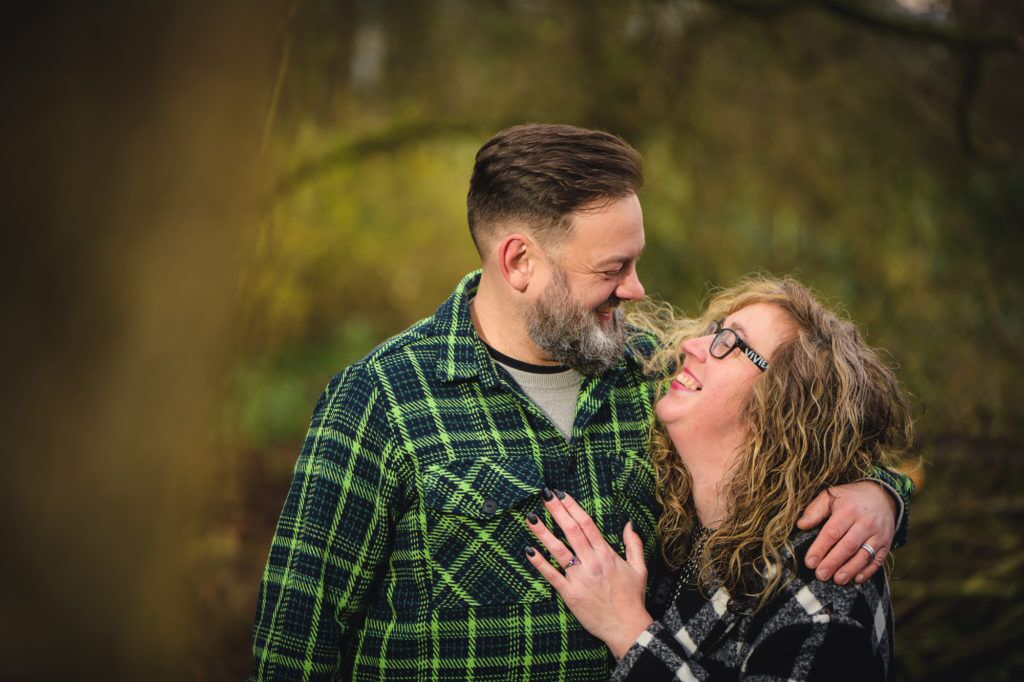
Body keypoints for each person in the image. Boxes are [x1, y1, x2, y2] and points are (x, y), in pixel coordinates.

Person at [249, 125, 911, 680]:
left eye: (635, 261)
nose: (635, 289)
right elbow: (294, 644)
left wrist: (879, 496)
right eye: (611, 269)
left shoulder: (655, 373)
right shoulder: (382, 400)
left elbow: (800, 426)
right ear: (519, 263)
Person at [525, 276, 915, 680]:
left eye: (730, 342)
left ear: (783, 403)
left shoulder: (824, 581)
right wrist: (886, 493)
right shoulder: (683, 520)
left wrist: (625, 627)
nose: (690, 346)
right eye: (715, 331)